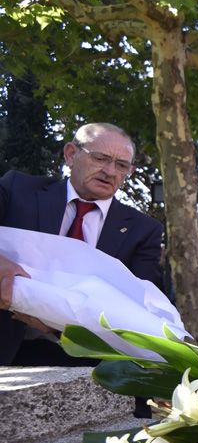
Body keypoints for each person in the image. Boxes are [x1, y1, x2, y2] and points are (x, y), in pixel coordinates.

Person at [0, 122, 163, 367]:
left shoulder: (143, 230)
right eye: (100, 158)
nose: (110, 171)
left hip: (89, 362)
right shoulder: (17, 190)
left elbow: (141, 307)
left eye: (121, 165)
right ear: (70, 154)